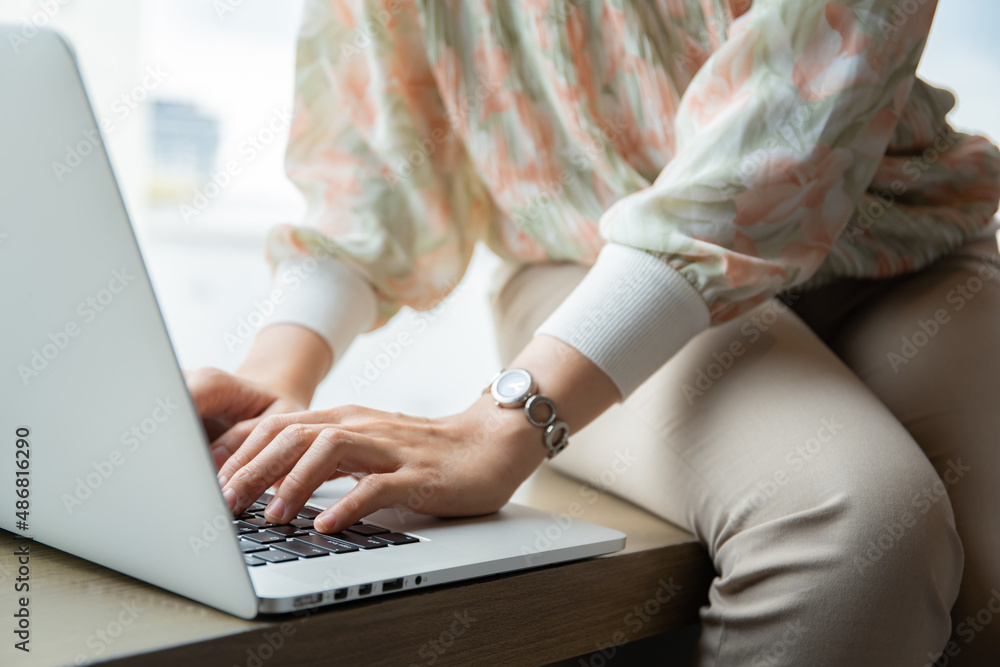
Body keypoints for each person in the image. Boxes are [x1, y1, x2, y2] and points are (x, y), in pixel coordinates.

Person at [187, 1, 1000, 664]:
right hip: (581, 269)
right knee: (852, 534)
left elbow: (781, 133)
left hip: (906, 249)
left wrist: (498, 425)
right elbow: (370, 173)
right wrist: (278, 371)